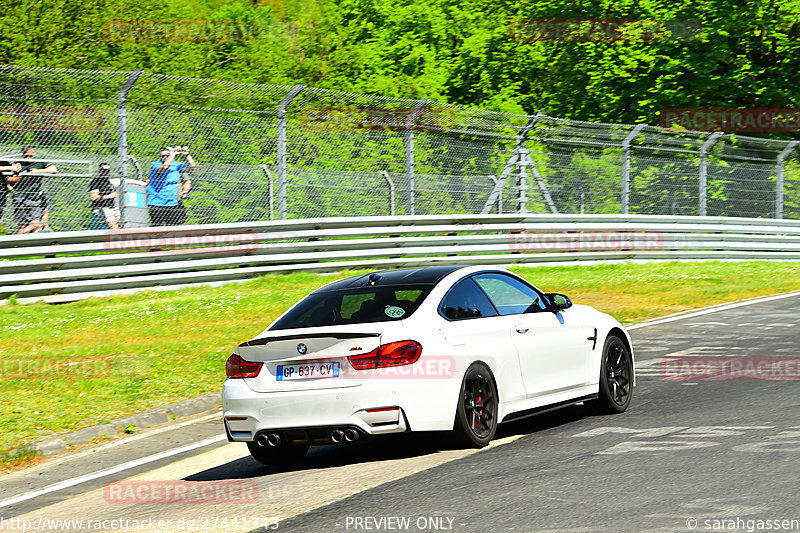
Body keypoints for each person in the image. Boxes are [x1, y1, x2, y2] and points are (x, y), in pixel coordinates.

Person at [7, 146, 58, 234]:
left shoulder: (39, 162)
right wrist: (22, 175)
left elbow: (54, 169)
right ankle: (19, 241)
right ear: (23, 155)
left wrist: (38, 171)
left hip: (34, 196)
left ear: (33, 153)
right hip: (19, 196)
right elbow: (10, 181)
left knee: (36, 224)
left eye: (31, 156)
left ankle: (20, 238)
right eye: (26, 156)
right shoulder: (19, 163)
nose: (29, 158)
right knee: (22, 225)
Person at [145, 146, 195, 226]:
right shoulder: (156, 164)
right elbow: (164, 167)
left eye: (167, 155)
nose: (165, 157)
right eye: (163, 156)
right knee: (158, 227)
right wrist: (173, 154)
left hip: (171, 202)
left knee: (174, 226)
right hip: (156, 202)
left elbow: (192, 167)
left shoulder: (176, 165)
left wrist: (187, 155)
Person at [88, 162, 120, 229]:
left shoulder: (108, 181)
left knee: (126, 225)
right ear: (100, 171)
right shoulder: (96, 181)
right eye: (104, 170)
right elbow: (94, 197)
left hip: (112, 207)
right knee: (114, 226)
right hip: (102, 208)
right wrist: (109, 196)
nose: (106, 172)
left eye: (108, 170)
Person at [0, 150, 21, 229]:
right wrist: (10, 167)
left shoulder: (3, 162)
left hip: (2, 193)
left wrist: (17, 166)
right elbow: (10, 167)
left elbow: (13, 168)